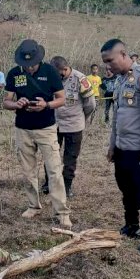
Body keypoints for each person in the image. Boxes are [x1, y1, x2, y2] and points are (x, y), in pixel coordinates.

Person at [101, 38, 140, 256]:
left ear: (123, 54)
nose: (107, 66)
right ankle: (132, 226)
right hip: (122, 148)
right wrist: (112, 146)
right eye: (104, 62)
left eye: (110, 60)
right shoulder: (119, 80)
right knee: (126, 190)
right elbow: (118, 117)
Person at [3, 39, 72, 228]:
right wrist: (15, 104)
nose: (29, 68)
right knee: (27, 171)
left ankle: (62, 212)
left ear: (38, 59)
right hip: (23, 129)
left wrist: (46, 105)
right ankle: (33, 205)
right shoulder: (14, 73)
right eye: (26, 65)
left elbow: (62, 99)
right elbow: (6, 101)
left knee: (54, 170)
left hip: (46, 129)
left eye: (32, 64)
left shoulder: (50, 72)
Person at [40, 56, 96, 198]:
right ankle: (49, 183)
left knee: (70, 158)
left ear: (65, 69)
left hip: (74, 125)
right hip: (54, 124)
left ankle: (67, 186)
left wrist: (81, 119)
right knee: (50, 154)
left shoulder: (80, 79)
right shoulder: (50, 77)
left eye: (57, 73)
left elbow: (90, 104)